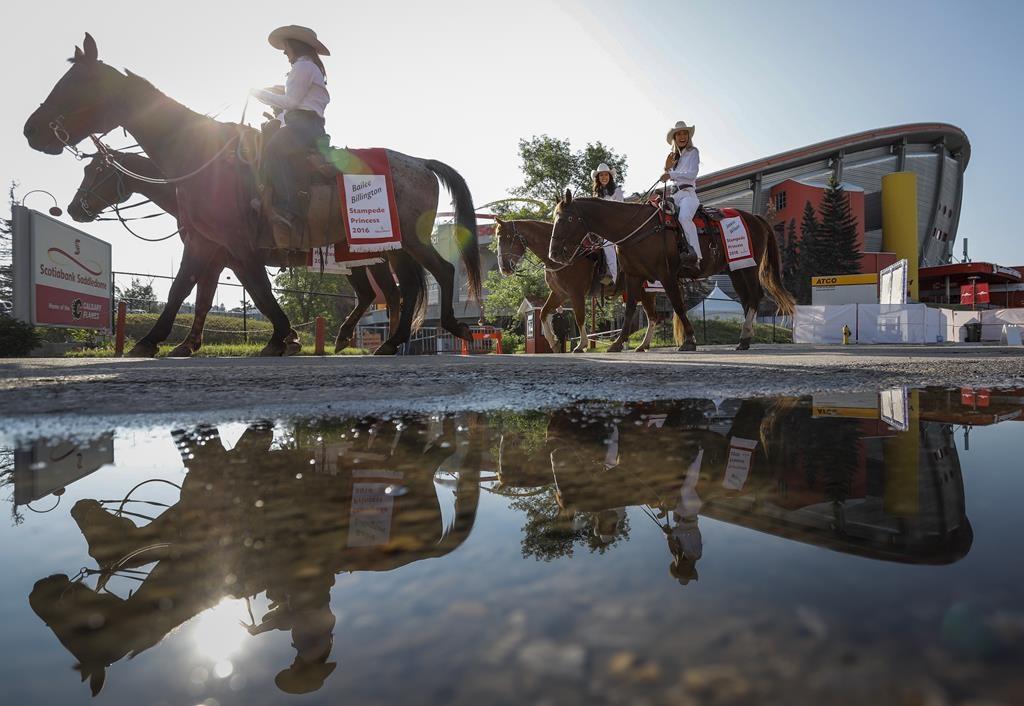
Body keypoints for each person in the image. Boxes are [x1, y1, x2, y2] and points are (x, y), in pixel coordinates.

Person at [251, 25, 332, 235]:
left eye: (286, 47)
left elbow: (291, 101)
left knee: (272, 151)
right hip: (306, 124)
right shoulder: (308, 68)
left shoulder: (303, 68)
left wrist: (259, 93)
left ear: (295, 46)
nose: (285, 52)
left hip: (304, 125)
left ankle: (288, 208)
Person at [660, 121, 701, 267]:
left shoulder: (693, 152)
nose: (682, 136)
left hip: (688, 194)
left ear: (688, 136)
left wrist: (670, 174)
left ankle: (695, 256)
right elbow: (668, 176)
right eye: (679, 134)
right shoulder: (674, 157)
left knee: (684, 217)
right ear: (674, 138)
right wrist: (667, 168)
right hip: (675, 195)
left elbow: (692, 174)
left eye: (685, 133)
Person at [591, 163, 622, 284]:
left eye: (606, 175)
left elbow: (621, 210)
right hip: (599, 228)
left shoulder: (617, 191)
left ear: (610, 177)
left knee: (608, 244)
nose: (604, 177)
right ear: (598, 178)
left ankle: (613, 278)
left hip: (614, 226)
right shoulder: (596, 194)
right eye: (601, 175)